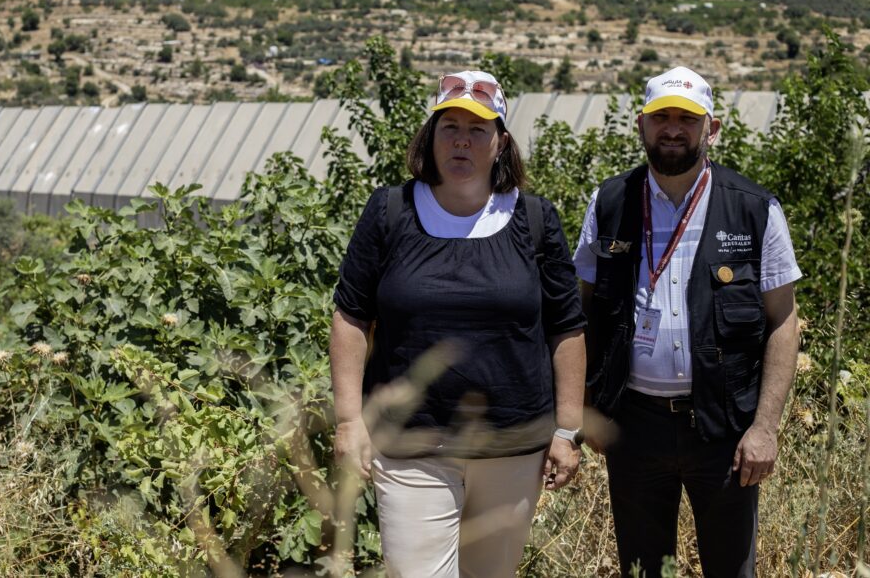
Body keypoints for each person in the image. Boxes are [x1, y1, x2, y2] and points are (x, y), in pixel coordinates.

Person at [330, 70, 587, 577]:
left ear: (501, 143)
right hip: (411, 447)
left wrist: (567, 429)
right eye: (449, 127)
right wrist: (348, 420)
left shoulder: (535, 220)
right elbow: (350, 318)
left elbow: (567, 328)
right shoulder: (389, 212)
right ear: (430, 138)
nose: (462, 141)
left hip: (511, 449)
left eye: (478, 130)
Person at [573, 66, 802, 577]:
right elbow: (581, 310)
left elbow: (784, 322)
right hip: (633, 426)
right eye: (661, 118)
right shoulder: (609, 203)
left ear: (712, 129)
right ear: (641, 125)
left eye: (687, 119)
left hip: (723, 430)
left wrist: (764, 429)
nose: (672, 129)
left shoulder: (754, 210)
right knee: (642, 568)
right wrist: (579, 412)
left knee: (731, 569)